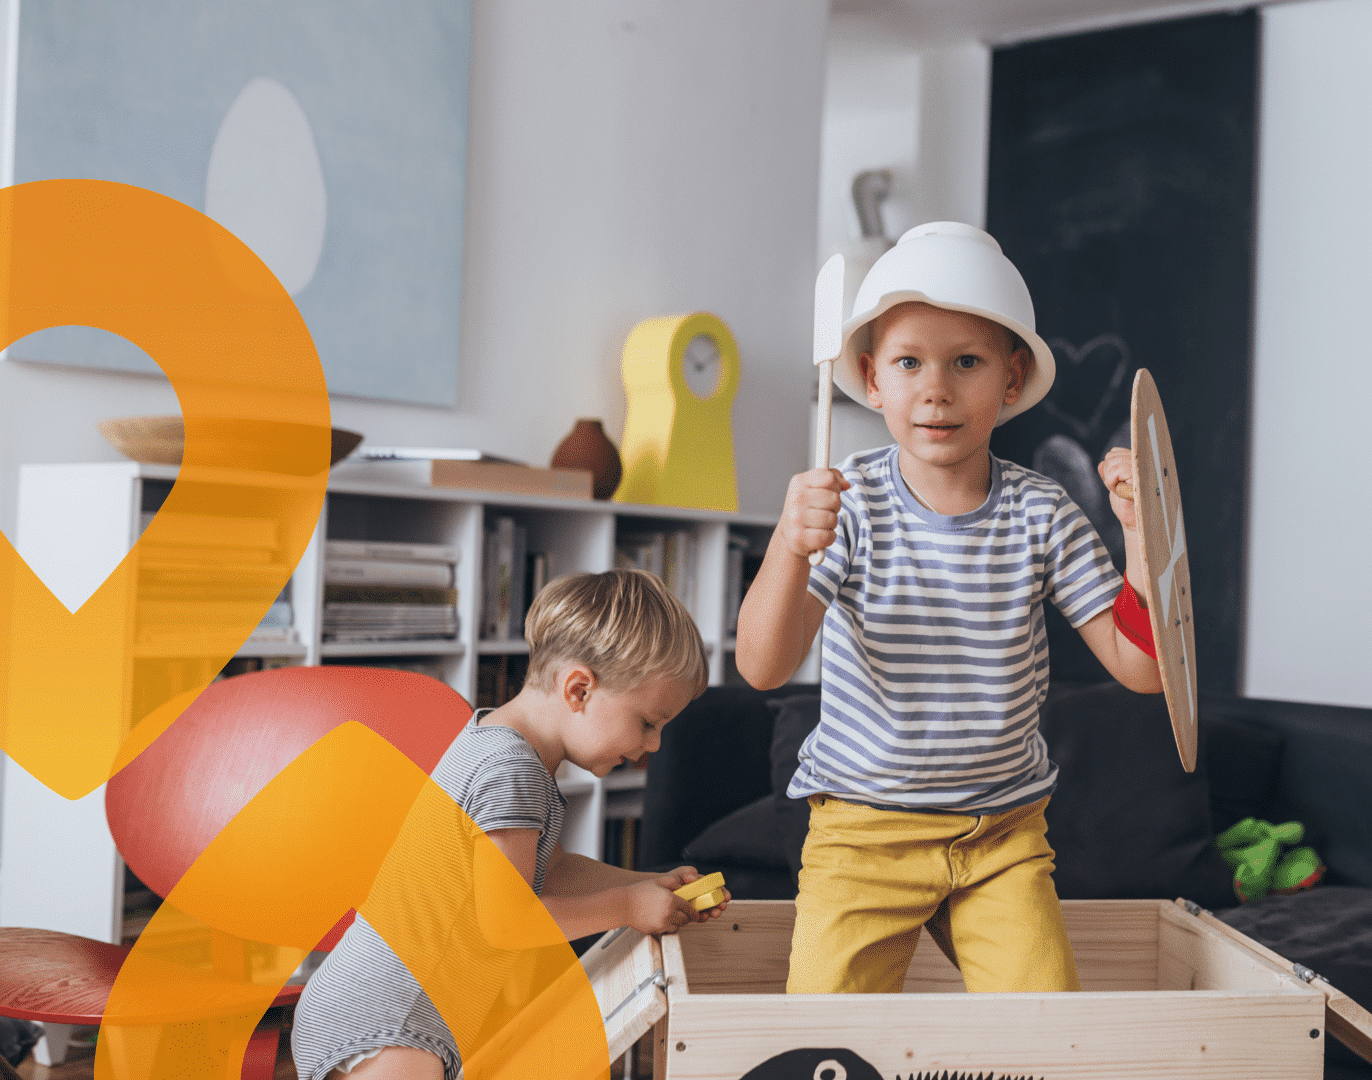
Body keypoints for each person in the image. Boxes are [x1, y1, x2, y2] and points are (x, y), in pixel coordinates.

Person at [736, 221, 1163, 995]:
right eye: (909, 363)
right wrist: (788, 546)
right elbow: (762, 667)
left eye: (966, 362)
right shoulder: (848, 502)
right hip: (862, 835)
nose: (936, 388)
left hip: (1003, 837)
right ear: (871, 380)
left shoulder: (1045, 513)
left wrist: (1142, 537)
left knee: (1046, 1043)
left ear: (1011, 378)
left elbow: (1141, 670)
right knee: (826, 1047)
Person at [292, 569, 727, 1079]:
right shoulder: (512, 769)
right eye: (647, 723)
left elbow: (551, 872)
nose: (652, 746)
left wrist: (647, 883)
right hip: (393, 1017)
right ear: (579, 689)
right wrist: (628, 906)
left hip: (382, 1009)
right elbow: (507, 921)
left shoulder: (501, 743)